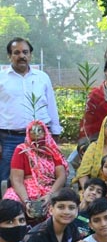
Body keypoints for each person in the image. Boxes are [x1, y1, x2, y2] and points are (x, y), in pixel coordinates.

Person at [1, 38, 62, 183]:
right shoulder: (2, 79)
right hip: (10, 138)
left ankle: (37, 205)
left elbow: (51, 105)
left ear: (30, 55)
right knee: (6, 178)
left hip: (40, 137)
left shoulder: (42, 77)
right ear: (9, 56)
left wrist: (56, 132)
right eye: (16, 52)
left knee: (41, 176)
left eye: (25, 52)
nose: (21, 56)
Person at [2, 121, 67, 227]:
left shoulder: (53, 151)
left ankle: (46, 234)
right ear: (28, 133)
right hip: (25, 188)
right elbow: (16, 179)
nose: (36, 133)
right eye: (32, 130)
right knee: (10, 204)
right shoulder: (22, 150)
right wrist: (26, 201)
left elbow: (61, 176)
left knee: (57, 207)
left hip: (49, 188)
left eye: (39, 130)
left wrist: (50, 195)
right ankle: (13, 233)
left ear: (45, 132)